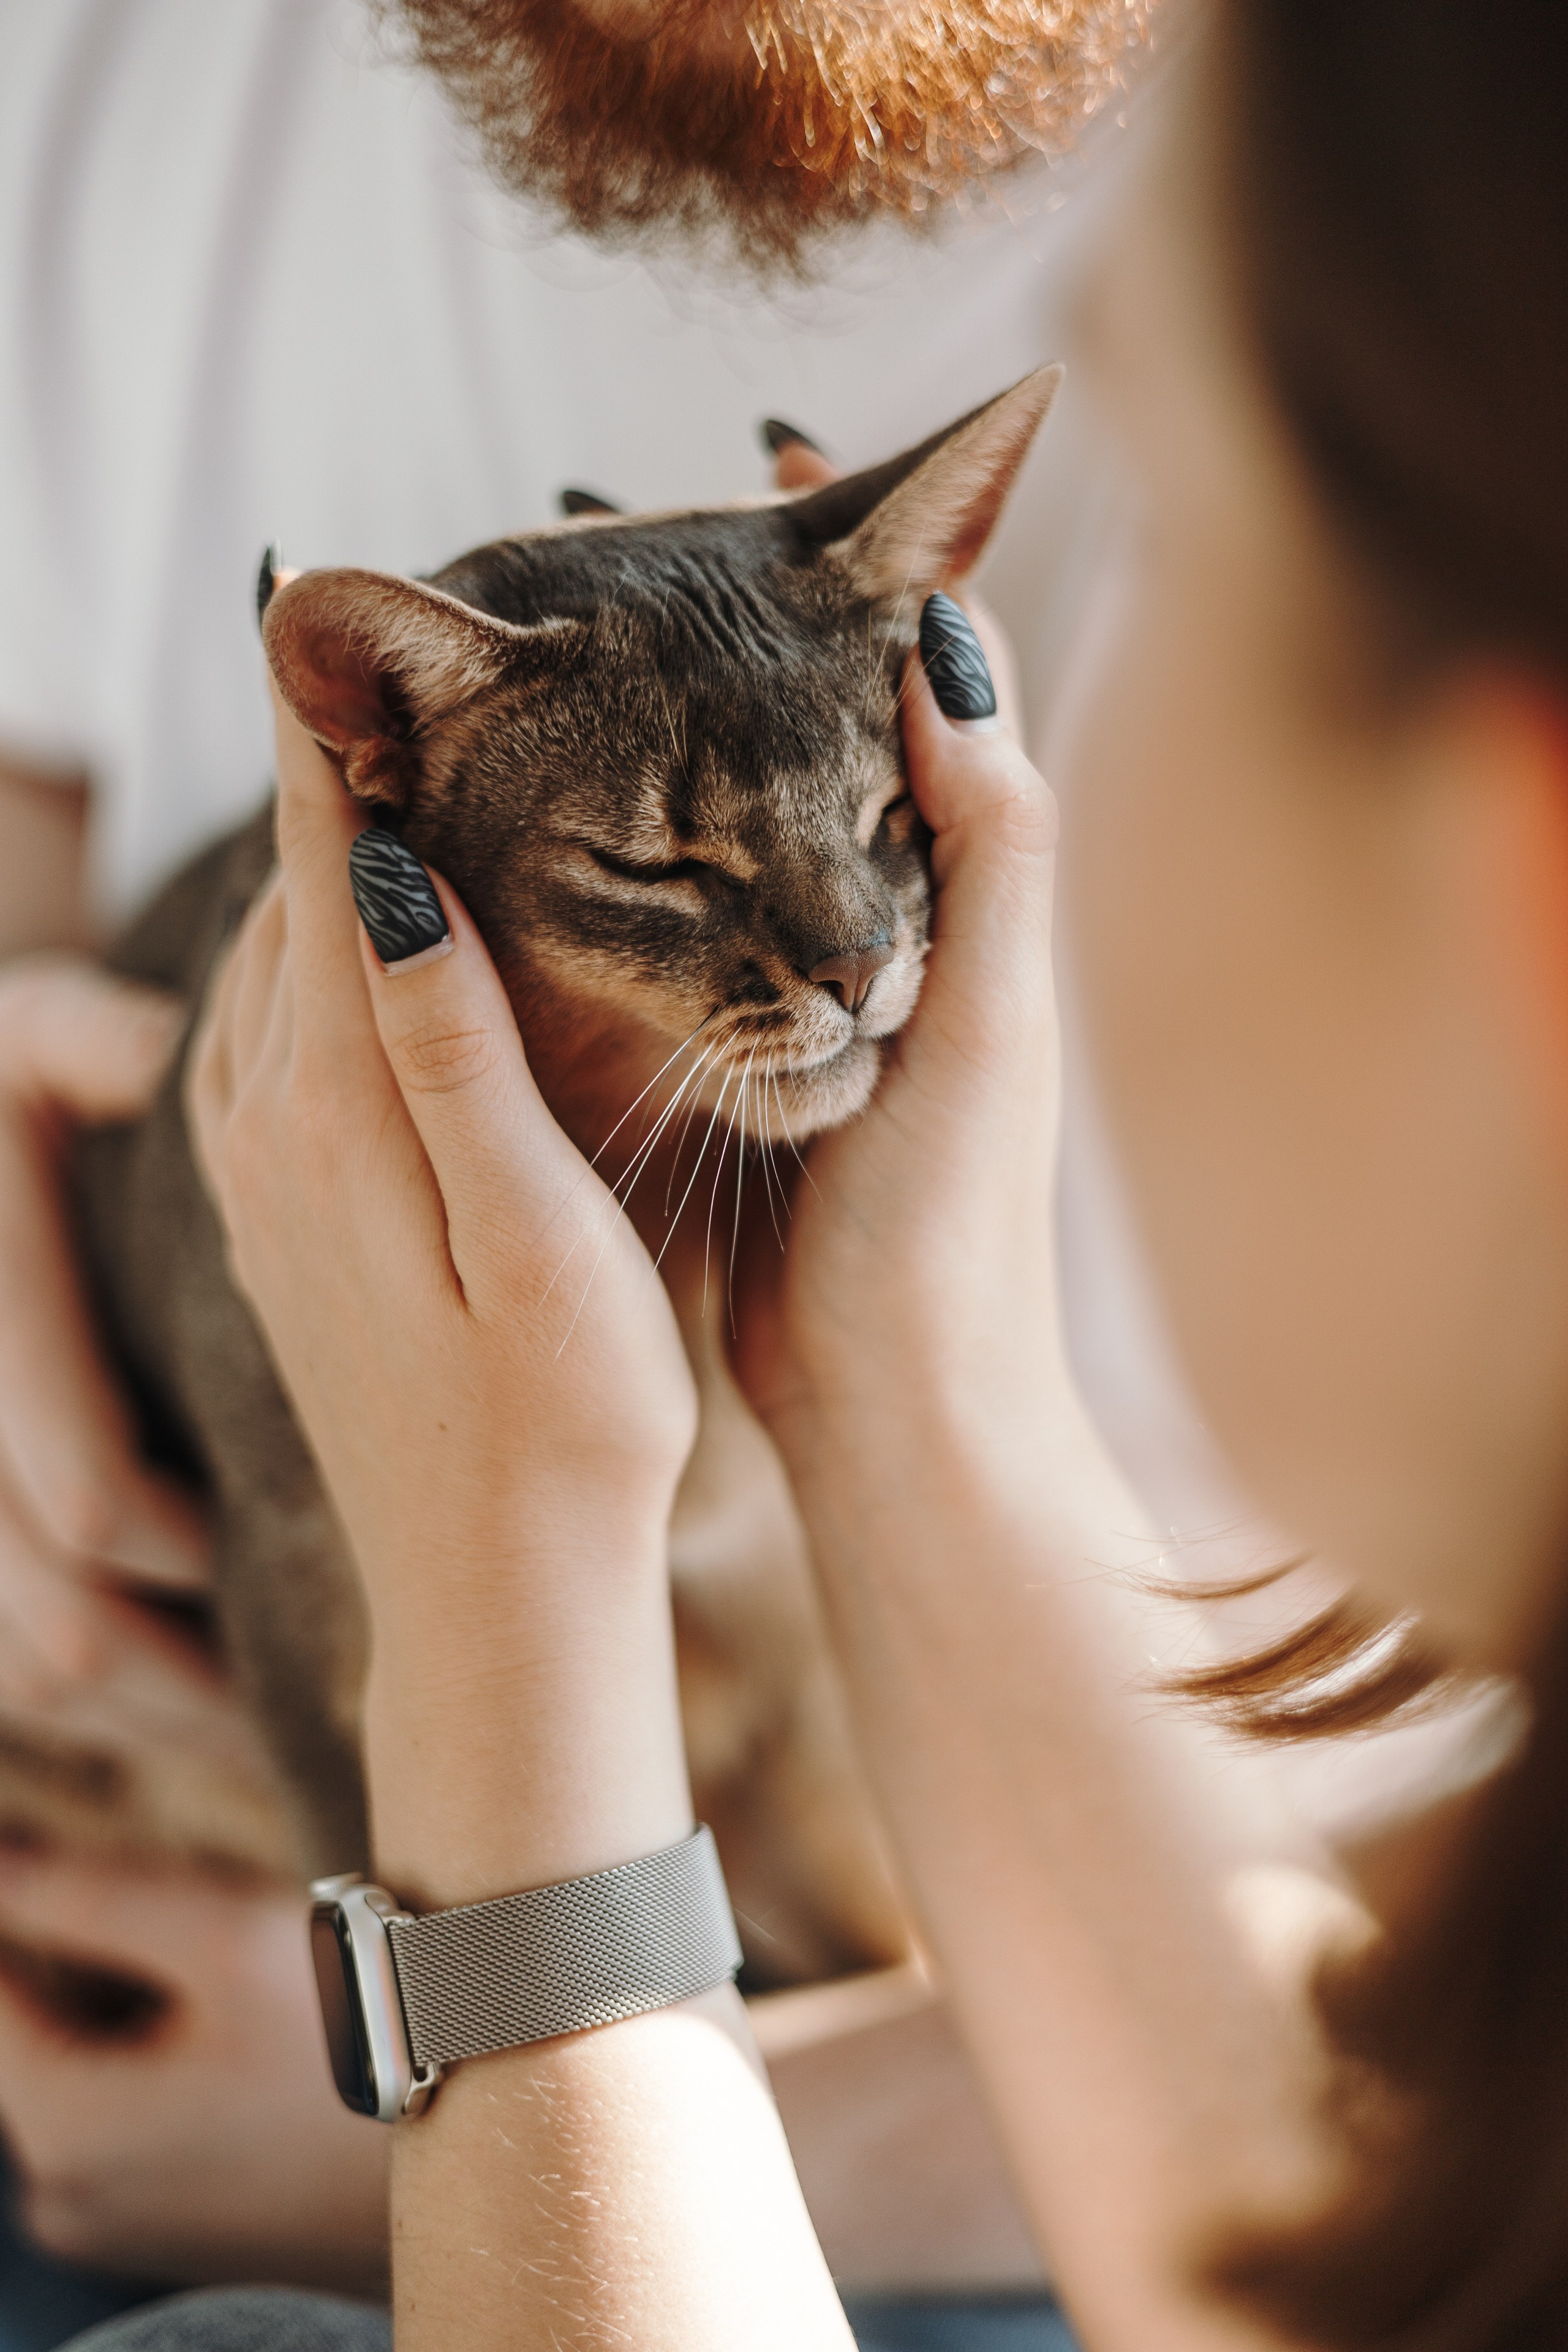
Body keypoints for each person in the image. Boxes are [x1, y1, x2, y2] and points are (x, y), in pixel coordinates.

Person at [32, 0, 1568, 2342]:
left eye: (1155, 492)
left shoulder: (1389, 166)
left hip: (906, 2097)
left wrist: (449, 2025)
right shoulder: (118, 70)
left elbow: (1397, 2153)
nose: (858, 961)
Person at [0, 0, 1126, 2337]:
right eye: (687, 886)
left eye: (884, 848)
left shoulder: (1428, 203)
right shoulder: (109, 64)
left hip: (990, 2136)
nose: (844, 972)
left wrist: (453, 2088)